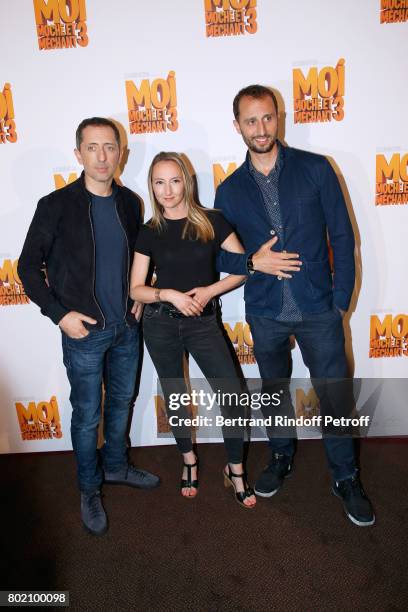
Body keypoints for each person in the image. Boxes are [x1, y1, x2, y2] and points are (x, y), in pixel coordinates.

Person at [215, 84, 375, 526]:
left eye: (267, 117)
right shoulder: (228, 191)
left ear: (278, 117)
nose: (261, 128)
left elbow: (343, 238)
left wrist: (339, 302)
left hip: (318, 309)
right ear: (237, 126)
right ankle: (281, 456)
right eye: (251, 120)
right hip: (264, 312)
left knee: (335, 398)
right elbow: (218, 256)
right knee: (273, 392)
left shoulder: (316, 169)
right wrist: (252, 260)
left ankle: (345, 476)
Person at [18, 117, 160, 536]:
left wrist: (139, 297)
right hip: (84, 334)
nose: (102, 156)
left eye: (110, 147)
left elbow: (141, 260)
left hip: (126, 330)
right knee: (86, 415)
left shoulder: (131, 204)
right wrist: (60, 314)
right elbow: (27, 268)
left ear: (121, 153)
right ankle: (88, 487)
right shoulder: (55, 205)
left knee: (122, 403)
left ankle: (115, 467)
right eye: (93, 148)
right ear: (78, 154)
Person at [130, 151, 256, 508]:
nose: (167, 190)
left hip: (203, 324)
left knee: (232, 397)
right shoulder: (149, 231)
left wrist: (209, 291)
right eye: (159, 182)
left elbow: (243, 267)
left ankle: (235, 470)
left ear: (187, 181)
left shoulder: (212, 222)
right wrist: (166, 293)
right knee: (176, 398)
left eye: (174, 180)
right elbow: (135, 288)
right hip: (160, 325)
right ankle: (188, 460)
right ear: (152, 187)